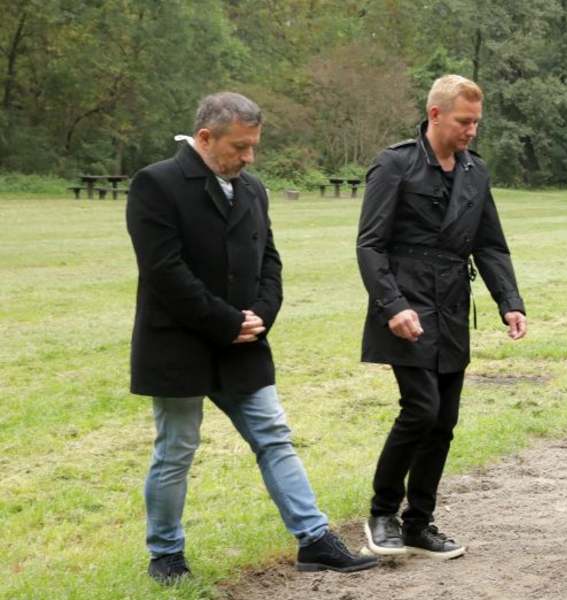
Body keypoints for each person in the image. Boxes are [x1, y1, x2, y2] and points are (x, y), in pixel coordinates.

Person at [126, 92, 378, 584]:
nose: (250, 158)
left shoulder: (253, 189)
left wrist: (262, 314)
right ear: (205, 137)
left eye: (254, 146)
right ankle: (166, 555)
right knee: (176, 449)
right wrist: (226, 321)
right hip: (178, 342)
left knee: (274, 437)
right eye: (239, 147)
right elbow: (163, 270)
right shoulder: (156, 184)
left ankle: (314, 539)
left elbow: (270, 261)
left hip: (243, 341)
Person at [357, 75, 528, 559]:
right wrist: (393, 306)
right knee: (421, 409)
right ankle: (382, 514)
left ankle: (419, 522)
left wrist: (509, 302)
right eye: (463, 121)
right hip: (405, 301)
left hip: (452, 303)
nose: (471, 130)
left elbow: (490, 244)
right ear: (435, 114)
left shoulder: (475, 172)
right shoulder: (395, 164)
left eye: (476, 122)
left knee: (444, 419)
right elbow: (370, 244)